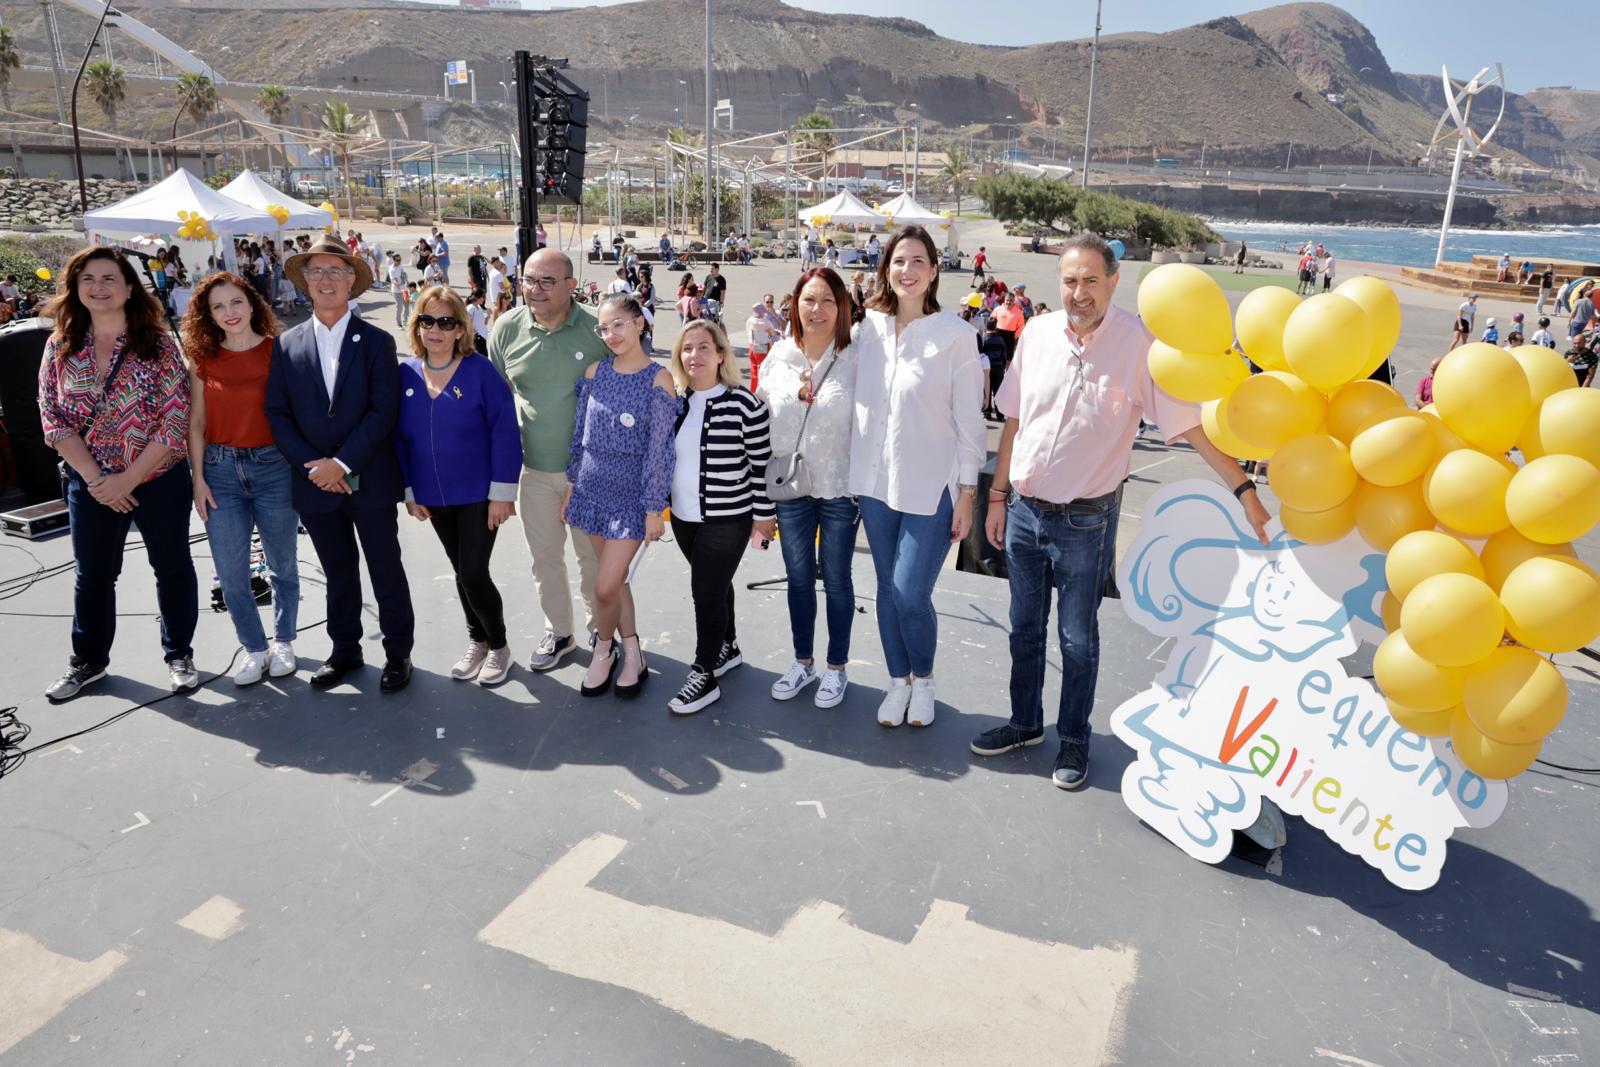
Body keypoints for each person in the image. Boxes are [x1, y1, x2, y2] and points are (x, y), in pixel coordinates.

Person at [974, 235, 1273, 790]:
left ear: (1113, 282)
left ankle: (1073, 740)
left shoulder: (1140, 345)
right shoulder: (1037, 334)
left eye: (1091, 280)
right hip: (1023, 512)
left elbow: (1189, 427)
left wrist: (1245, 490)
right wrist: (996, 497)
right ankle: (1025, 723)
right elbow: (1013, 421)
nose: (1079, 292)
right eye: (1070, 281)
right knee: (1023, 629)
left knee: (1076, 638)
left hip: (1084, 522)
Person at [38, 247, 199, 701]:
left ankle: (179, 655)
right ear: (75, 288)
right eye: (88, 279)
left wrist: (128, 479)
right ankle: (87, 661)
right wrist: (97, 481)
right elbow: (52, 418)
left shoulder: (159, 346)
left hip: (158, 478)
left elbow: (175, 418)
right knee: (93, 575)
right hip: (90, 483)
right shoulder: (59, 346)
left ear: (129, 288)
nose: (98, 287)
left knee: (172, 566)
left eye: (109, 278)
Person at [266, 234, 415, 693]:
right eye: (316, 271)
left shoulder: (377, 342)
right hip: (315, 484)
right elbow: (278, 413)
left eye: (335, 270)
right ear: (305, 281)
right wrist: (316, 467)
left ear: (352, 280)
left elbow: (383, 410)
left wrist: (343, 462)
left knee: (385, 569)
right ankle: (345, 650)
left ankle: (398, 653)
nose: (325, 279)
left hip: (369, 478)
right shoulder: (285, 344)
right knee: (338, 573)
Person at [850, 225, 985, 728]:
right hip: (875, 484)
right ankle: (897, 681)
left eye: (918, 261)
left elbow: (970, 421)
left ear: (933, 271)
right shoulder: (866, 330)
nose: (907, 271)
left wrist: (967, 493)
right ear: (886, 269)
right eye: (898, 261)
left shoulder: (956, 336)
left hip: (932, 487)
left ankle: (923, 681)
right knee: (886, 589)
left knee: (910, 591)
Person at [395, 285, 523, 687]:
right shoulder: (405, 375)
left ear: (460, 329)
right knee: (461, 571)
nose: (436, 330)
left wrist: (502, 494)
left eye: (446, 322)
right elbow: (398, 439)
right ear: (417, 326)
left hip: (479, 495)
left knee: (473, 573)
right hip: (433, 496)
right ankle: (478, 641)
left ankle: (499, 646)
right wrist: (409, 491)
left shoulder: (480, 371)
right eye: (427, 320)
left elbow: (505, 432)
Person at [489, 249, 607, 671]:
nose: (534, 290)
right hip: (534, 471)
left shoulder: (598, 328)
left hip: (590, 473)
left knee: (593, 559)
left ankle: (602, 629)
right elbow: (497, 401)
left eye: (546, 281)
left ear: (571, 286)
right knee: (544, 559)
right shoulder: (506, 328)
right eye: (528, 280)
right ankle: (559, 631)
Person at [182, 272, 300, 687]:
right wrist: (198, 479)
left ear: (252, 304)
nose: (229, 312)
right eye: (218, 307)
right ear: (208, 315)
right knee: (231, 575)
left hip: (273, 467)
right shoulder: (202, 358)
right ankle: (254, 648)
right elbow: (196, 423)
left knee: (282, 565)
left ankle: (284, 642)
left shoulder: (278, 351)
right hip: (220, 472)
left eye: (235, 302)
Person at [563, 293, 678, 699]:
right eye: (604, 328)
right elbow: (580, 435)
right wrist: (572, 486)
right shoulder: (595, 372)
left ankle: (603, 647)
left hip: (631, 499)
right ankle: (632, 654)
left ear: (639, 324)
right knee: (617, 582)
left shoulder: (659, 379)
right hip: (591, 491)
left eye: (619, 324)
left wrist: (653, 508)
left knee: (605, 586)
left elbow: (660, 451)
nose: (611, 334)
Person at [758, 267, 860, 709]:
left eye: (827, 301)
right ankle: (803, 662)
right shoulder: (779, 355)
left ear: (842, 307)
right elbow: (759, 419)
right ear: (794, 305)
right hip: (790, 487)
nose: (817, 309)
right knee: (799, 578)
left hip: (839, 486)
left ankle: (836, 668)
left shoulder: (857, 356)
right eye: (809, 300)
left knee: (836, 579)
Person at [666, 320, 774, 714]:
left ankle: (704, 673)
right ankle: (728, 647)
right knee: (715, 583)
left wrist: (764, 518)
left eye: (703, 347)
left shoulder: (744, 404)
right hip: (683, 518)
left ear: (721, 355)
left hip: (728, 519)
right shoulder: (676, 403)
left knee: (705, 592)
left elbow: (761, 467)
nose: (694, 355)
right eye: (687, 348)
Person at [745, 301, 780, 393]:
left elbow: (748, 330)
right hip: (761, 346)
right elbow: (772, 334)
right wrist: (776, 332)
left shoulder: (750, 320)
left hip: (752, 346)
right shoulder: (765, 322)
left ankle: (753, 390)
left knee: (754, 370)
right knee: (761, 371)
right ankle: (760, 392)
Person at [387, 252, 410, 330]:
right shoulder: (391, 269)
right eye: (397, 260)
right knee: (399, 307)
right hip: (397, 291)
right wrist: (400, 287)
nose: (399, 261)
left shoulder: (400, 265)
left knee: (407, 306)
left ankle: (405, 320)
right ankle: (399, 324)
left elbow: (403, 275)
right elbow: (393, 281)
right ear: (393, 260)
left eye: (400, 260)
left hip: (404, 289)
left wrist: (407, 283)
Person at [466, 288, 491, 355]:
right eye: (483, 297)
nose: (484, 299)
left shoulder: (479, 307)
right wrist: (475, 334)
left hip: (482, 338)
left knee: (484, 358)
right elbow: (466, 322)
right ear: (477, 297)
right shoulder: (471, 308)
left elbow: (483, 324)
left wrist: (488, 316)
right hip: (477, 338)